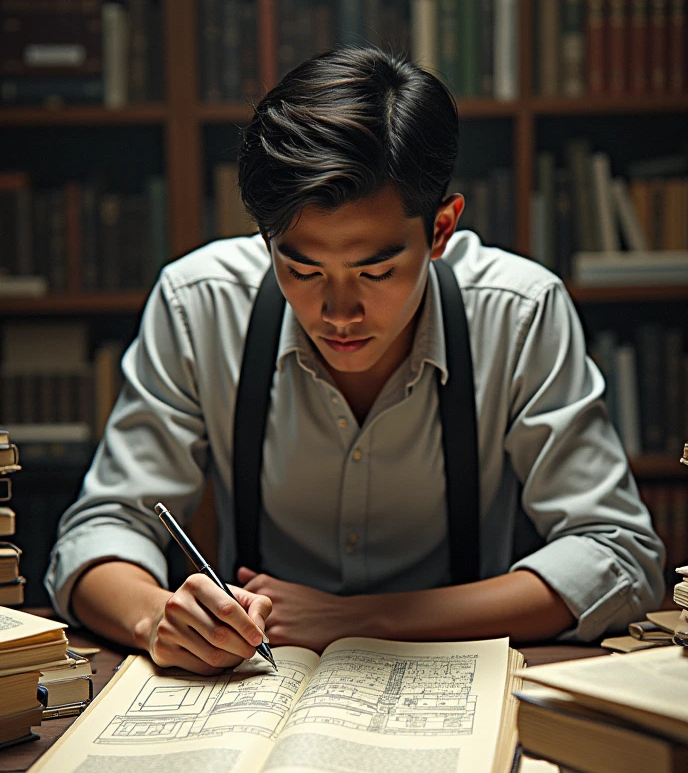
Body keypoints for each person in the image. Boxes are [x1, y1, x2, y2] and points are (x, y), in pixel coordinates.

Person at [46, 48, 664, 674]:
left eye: (377, 271)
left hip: (456, 683)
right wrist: (158, 616)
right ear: (266, 239)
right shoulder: (198, 304)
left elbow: (617, 555)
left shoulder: (519, 312)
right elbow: (101, 531)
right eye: (302, 269)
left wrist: (363, 620)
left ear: (442, 229)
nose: (340, 312)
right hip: (256, 687)